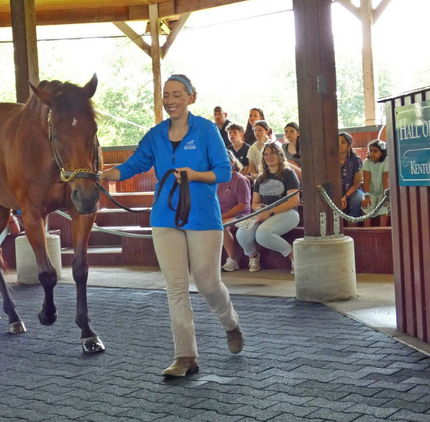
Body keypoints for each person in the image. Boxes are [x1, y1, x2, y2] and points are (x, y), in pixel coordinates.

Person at [101, 74, 243, 378]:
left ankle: (230, 323)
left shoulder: (206, 130)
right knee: (175, 286)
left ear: (191, 97)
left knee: (207, 283)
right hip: (165, 217)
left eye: (177, 94)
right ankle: (185, 355)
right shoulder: (155, 135)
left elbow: (224, 172)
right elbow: (132, 166)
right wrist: (101, 175)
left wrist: (193, 174)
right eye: (166, 95)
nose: (170, 100)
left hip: (203, 216)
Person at [236, 141, 300, 273]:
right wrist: (259, 210)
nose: (269, 156)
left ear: (279, 155)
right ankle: (253, 256)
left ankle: (295, 256)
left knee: (263, 234)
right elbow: (254, 203)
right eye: (265, 154)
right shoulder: (261, 177)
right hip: (265, 213)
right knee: (242, 233)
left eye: (272, 153)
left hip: (288, 212)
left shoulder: (288, 173)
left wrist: (269, 212)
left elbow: (292, 201)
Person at [218, 151, 251, 272]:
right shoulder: (214, 180)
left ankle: (232, 259)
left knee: (222, 226)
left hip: (239, 215)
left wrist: (222, 217)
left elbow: (243, 205)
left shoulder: (240, 180)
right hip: (219, 214)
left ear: (231, 163)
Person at [362, 140, 389, 227]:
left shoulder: (386, 161)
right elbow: (366, 180)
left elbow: (386, 179)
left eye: (375, 151)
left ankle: (382, 229)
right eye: (370, 150)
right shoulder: (367, 162)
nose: (372, 153)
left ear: (382, 152)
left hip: (384, 191)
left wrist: (384, 197)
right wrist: (367, 196)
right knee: (366, 205)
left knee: (385, 205)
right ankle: (367, 230)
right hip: (371, 191)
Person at [339, 132, 364, 224]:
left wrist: (345, 196)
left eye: (343, 142)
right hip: (335, 192)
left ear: (348, 145)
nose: (339, 145)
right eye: (337, 142)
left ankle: (352, 228)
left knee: (357, 200)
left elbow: (357, 183)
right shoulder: (330, 160)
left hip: (353, 191)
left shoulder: (356, 160)